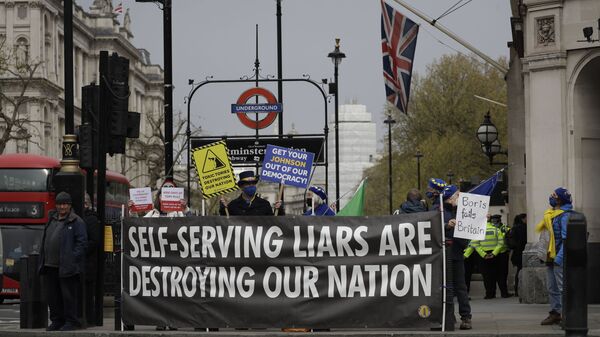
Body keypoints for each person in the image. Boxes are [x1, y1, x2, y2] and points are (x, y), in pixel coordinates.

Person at [39, 192, 88, 331]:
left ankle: (71, 322)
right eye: (60, 204)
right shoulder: (51, 219)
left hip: (67, 266)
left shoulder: (76, 221)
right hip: (50, 265)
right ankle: (56, 321)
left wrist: (72, 258)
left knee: (68, 296)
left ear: (70, 205)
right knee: (53, 297)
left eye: (65, 204)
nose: (62, 206)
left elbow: (82, 243)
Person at [539, 187, 572, 326]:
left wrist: (559, 258)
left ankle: (568, 316)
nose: (551, 198)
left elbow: (567, 238)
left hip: (559, 256)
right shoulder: (551, 214)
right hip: (550, 256)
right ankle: (555, 313)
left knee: (562, 287)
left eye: (554, 195)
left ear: (559, 199)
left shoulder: (565, 215)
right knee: (552, 287)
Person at [441, 185, 472, 330]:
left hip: (457, 253)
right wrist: (447, 225)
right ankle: (449, 316)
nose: (461, 197)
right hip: (445, 254)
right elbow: (432, 226)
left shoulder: (460, 210)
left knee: (460, 287)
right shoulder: (440, 211)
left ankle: (466, 317)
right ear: (451, 198)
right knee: (449, 288)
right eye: (458, 195)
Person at [464, 215, 509, 299]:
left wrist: (483, 254)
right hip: (496, 255)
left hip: (483, 256)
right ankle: (504, 293)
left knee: (487, 276)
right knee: (499, 274)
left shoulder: (478, 230)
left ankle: (490, 294)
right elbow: (501, 243)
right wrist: (494, 253)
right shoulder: (496, 229)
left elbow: (475, 244)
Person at [82, 194, 99, 325]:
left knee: (87, 294)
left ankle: (89, 319)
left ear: (87, 204)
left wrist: (79, 251)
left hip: (87, 263)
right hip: (79, 263)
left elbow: (94, 241)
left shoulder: (91, 219)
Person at [491, 214, 512, 298]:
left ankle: (492, 293)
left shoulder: (489, 228)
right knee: (502, 274)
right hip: (502, 253)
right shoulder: (504, 228)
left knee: (493, 274)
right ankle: (504, 293)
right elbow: (510, 236)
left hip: (492, 253)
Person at [506, 213, 527, 296]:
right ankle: (519, 290)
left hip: (516, 253)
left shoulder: (514, 228)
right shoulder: (523, 228)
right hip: (521, 251)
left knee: (519, 270)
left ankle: (517, 290)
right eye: (526, 218)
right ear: (522, 219)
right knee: (520, 271)